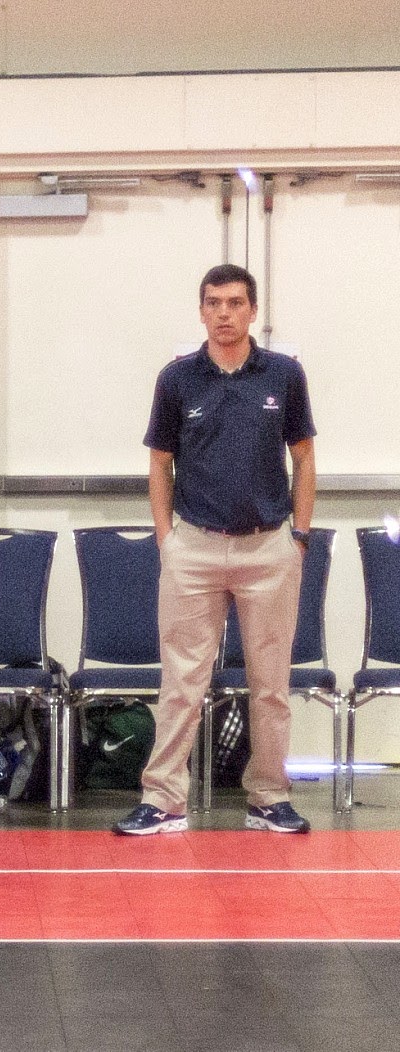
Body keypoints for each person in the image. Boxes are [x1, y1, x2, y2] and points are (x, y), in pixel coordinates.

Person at [114, 264, 316, 836]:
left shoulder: (284, 375)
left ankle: (269, 796)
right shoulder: (177, 380)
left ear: (253, 310)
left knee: (271, 683)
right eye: (213, 303)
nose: (224, 313)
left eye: (234, 302)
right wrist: (166, 540)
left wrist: (298, 536)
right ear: (200, 311)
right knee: (181, 681)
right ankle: (163, 799)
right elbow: (160, 463)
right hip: (194, 548)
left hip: (269, 548)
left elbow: (303, 456)